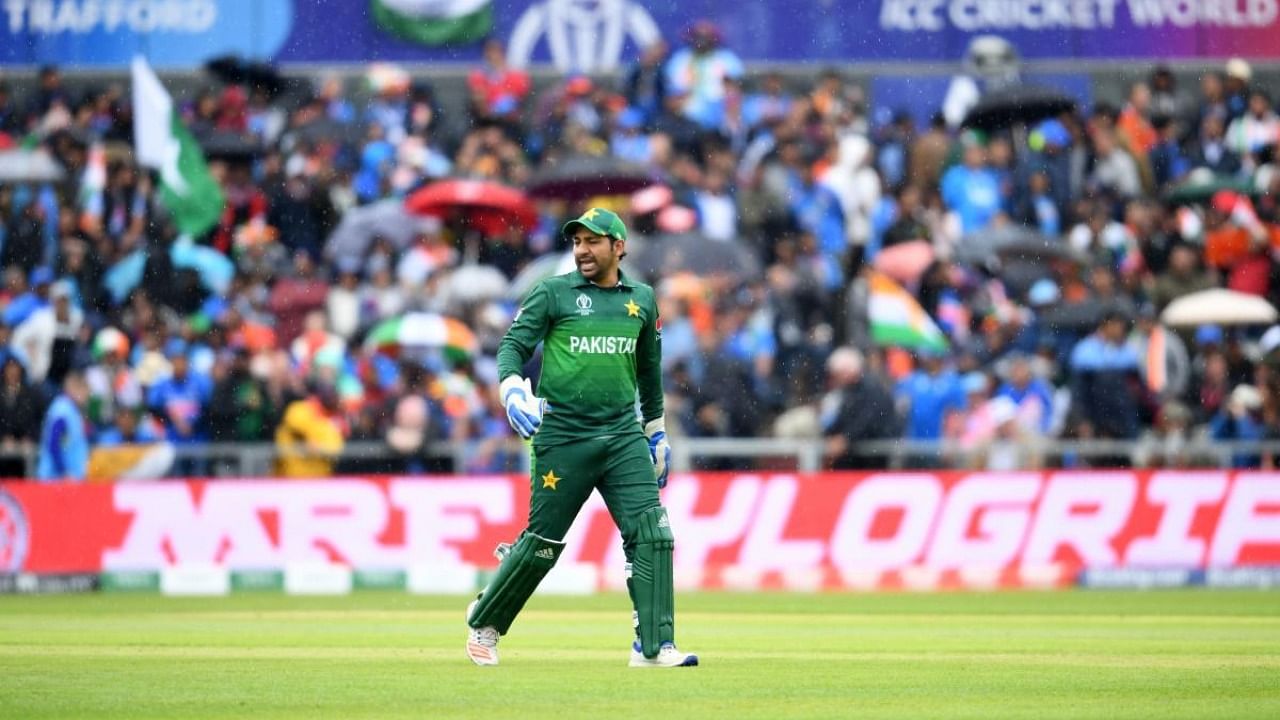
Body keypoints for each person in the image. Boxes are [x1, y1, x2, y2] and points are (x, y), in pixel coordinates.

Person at [464, 208, 697, 669]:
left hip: (622, 435)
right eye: (577, 242)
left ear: (619, 247)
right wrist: (511, 389)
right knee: (542, 543)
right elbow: (512, 346)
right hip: (564, 435)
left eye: (593, 242)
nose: (582, 251)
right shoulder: (553, 292)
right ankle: (485, 622)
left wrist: (655, 432)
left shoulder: (643, 300)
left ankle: (653, 647)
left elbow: (649, 373)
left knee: (653, 533)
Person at [36, 370, 90, 482]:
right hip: (57, 479)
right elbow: (53, 443)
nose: (87, 395)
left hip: (70, 478)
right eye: (85, 390)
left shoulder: (73, 410)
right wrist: (64, 472)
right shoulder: (62, 410)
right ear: (74, 389)